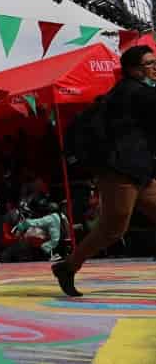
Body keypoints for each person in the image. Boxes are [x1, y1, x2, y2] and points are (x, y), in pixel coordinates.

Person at [53, 46, 156, 296]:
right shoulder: (133, 92)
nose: (154, 66)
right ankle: (68, 266)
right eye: (150, 63)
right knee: (112, 229)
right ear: (133, 69)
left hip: (139, 170)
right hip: (120, 171)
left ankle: (68, 266)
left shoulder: (133, 92)